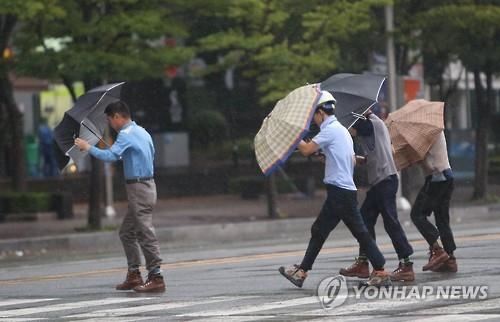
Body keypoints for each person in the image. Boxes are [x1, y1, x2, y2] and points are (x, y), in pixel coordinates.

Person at [278, 91, 391, 288]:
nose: (314, 119)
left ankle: (380, 270)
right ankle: (302, 271)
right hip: (340, 191)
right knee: (320, 230)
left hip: (340, 192)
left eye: (314, 114)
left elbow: (305, 150)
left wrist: (293, 134)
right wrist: (326, 157)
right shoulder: (341, 130)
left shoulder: (330, 130)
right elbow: (349, 160)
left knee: (359, 231)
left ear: (321, 112)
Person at [74, 100, 165, 293]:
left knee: (144, 232)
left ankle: (156, 276)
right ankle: (134, 274)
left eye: (109, 120)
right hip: (146, 185)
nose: (110, 124)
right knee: (126, 232)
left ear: (117, 116)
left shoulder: (126, 134)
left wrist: (87, 147)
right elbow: (148, 153)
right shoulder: (142, 131)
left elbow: (110, 156)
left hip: (139, 188)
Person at [340, 110, 415, 282]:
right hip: (379, 182)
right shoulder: (371, 126)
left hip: (385, 180)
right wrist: (359, 159)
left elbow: (357, 128)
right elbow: (371, 155)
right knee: (365, 220)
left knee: (390, 222)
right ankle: (363, 262)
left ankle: (406, 264)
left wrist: (340, 123)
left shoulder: (372, 124)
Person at [410, 131, 457, 272]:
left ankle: (437, 250)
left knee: (417, 215)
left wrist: (419, 159)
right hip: (447, 176)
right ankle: (450, 259)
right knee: (442, 218)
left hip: (437, 179)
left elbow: (430, 167)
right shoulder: (435, 128)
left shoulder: (425, 133)